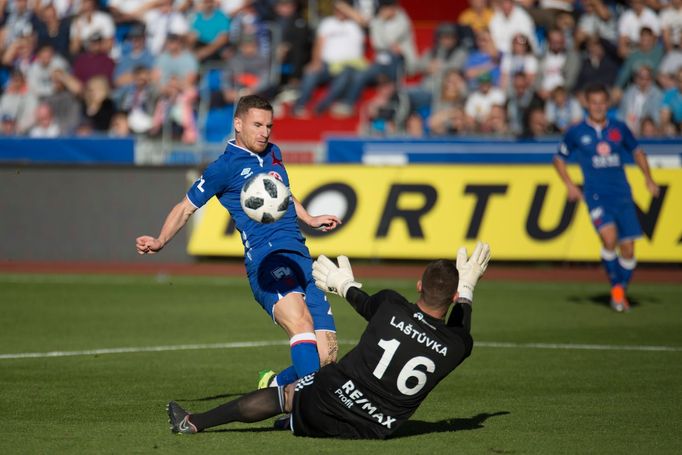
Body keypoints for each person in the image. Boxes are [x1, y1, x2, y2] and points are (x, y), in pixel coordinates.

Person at [166, 241, 491, 439]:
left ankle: (193, 422)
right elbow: (459, 328)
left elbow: (361, 300)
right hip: (374, 428)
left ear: (419, 285)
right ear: (451, 298)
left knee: (287, 395)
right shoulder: (458, 345)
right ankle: (292, 423)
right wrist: (467, 291)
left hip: (327, 401)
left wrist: (341, 283)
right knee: (302, 409)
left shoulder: (391, 305)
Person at [136, 95, 340, 387]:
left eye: (269, 125)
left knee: (327, 356)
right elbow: (186, 207)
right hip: (268, 259)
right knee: (301, 325)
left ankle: (274, 387)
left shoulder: (273, 152)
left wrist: (308, 217)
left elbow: (280, 193)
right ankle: (305, 410)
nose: (265, 132)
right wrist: (160, 240)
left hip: (301, 257)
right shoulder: (224, 168)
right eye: (257, 125)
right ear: (238, 124)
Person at [553, 84, 660, 312]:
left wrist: (648, 179)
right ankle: (618, 293)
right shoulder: (577, 132)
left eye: (602, 102)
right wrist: (570, 185)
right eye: (594, 103)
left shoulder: (619, 128)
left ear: (607, 104)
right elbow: (559, 159)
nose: (598, 107)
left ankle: (619, 289)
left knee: (629, 249)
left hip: (622, 194)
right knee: (609, 239)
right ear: (587, 104)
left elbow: (638, 152)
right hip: (595, 195)